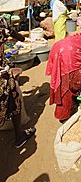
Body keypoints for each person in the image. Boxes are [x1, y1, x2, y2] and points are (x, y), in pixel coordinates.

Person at [46, 32, 81, 121]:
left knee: (63, 84)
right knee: (67, 90)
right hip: (67, 63)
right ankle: (65, 116)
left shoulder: (77, 40)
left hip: (59, 53)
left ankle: (65, 110)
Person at [0, 17, 36, 147]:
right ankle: (19, 136)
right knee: (15, 100)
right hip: (2, 76)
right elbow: (11, 32)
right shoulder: (1, 21)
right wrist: (26, 40)